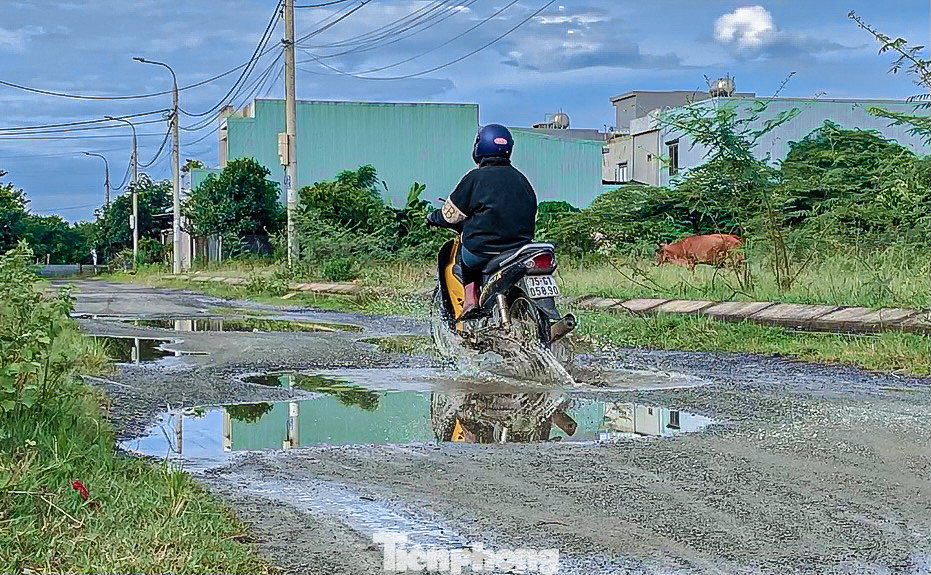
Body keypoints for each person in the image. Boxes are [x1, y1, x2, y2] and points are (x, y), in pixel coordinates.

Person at [426, 124, 538, 318]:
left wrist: (432, 217)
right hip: (520, 249)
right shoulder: (522, 179)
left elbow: (450, 215)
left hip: (485, 250)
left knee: (465, 256)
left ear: (479, 146)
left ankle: (470, 301)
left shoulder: (475, 178)